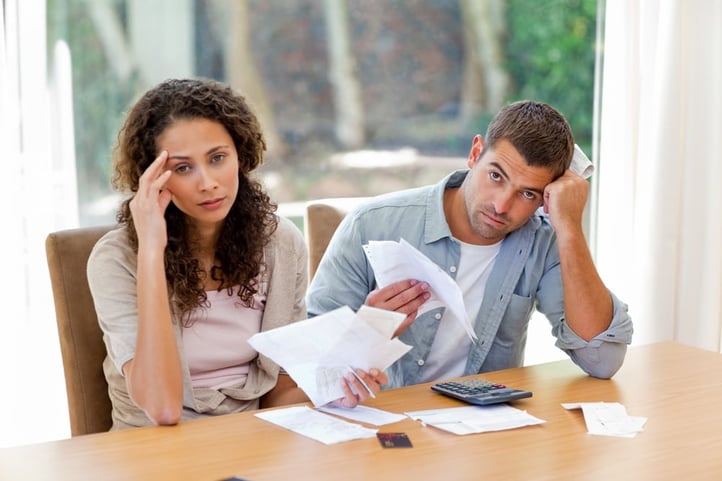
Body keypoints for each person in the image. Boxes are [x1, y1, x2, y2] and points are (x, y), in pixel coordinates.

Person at [87, 78, 386, 430]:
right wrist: (152, 251)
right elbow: (162, 409)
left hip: (251, 441)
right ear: (153, 178)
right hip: (152, 450)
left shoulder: (280, 244)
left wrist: (330, 391)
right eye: (183, 168)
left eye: (217, 158)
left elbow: (278, 393)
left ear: (240, 155)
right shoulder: (116, 259)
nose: (208, 182)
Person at [306, 100, 633, 389]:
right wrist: (366, 333)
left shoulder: (543, 241)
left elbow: (601, 361)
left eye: (528, 193)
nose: (502, 205)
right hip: (382, 432)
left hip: (483, 437)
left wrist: (571, 228)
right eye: (496, 176)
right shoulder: (370, 224)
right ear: (475, 153)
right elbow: (307, 369)